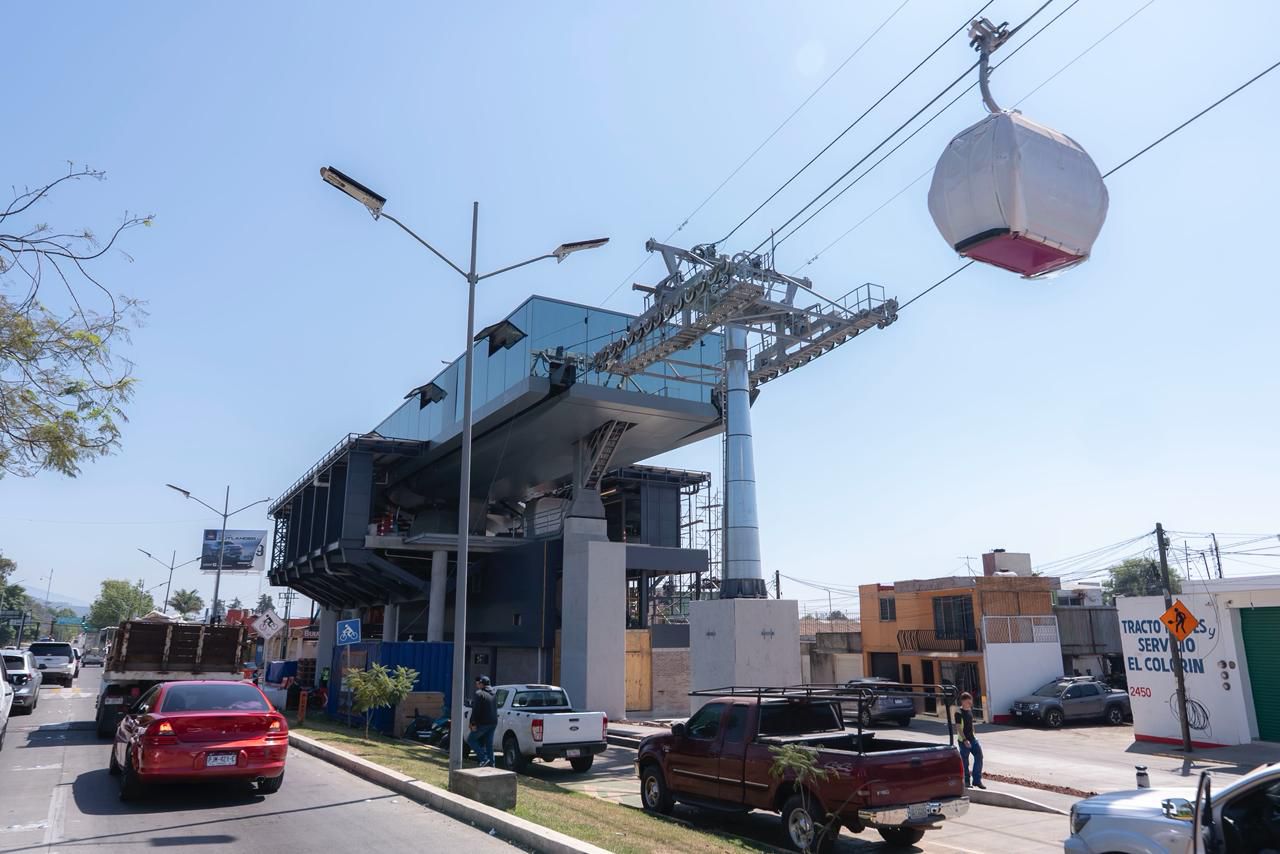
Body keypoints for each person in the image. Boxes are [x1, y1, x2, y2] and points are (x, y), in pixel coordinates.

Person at [955, 691, 985, 789]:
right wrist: (964, 740)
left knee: (979, 756)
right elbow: (958, 727)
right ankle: (966, 781)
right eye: (968, 702)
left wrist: (974, 736)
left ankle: (977, 780)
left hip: (973, 739)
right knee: (965, 761)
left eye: (970, 701)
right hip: (963, 741)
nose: (970, 703)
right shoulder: (958, 713)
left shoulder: (969, 711)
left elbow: (971, 724)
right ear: (963, 701)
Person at [467, 675, 498, 767]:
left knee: (471, 740)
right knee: (489, 744)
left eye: (478, 683)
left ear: (482, 684)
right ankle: (492, 764)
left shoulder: (479, 694)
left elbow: (476, 710)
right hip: (493, 722)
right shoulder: (494, 693)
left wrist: (472, 723)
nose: (477, 685)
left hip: (483, 723)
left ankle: (484, 758)